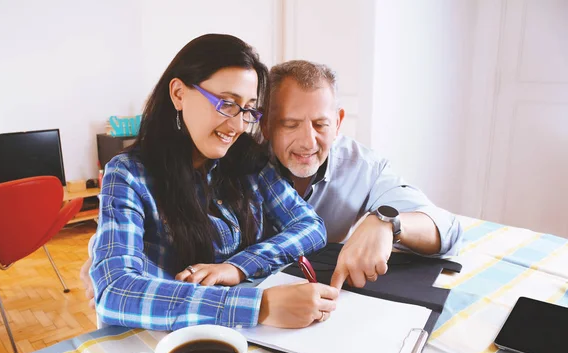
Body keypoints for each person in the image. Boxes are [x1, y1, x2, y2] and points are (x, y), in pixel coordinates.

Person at [87, 34, 338, 332]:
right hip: (168, 346)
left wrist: (238, 266)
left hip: (252, 338)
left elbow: (310, 226)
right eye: (227, 104)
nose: (237, 126)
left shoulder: (248, 162)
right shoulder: (129, 174)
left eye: (248, 110)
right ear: (179, 93)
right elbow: (116, 292)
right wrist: (260, 306)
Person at [261, 60, 463, 290]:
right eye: (290, 124)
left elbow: (449, 231)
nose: (308, 142)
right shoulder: (236, 161)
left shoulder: (364, 167)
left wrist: (389, 223)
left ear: (337, 123)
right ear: (264, 124)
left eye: (320, 125)